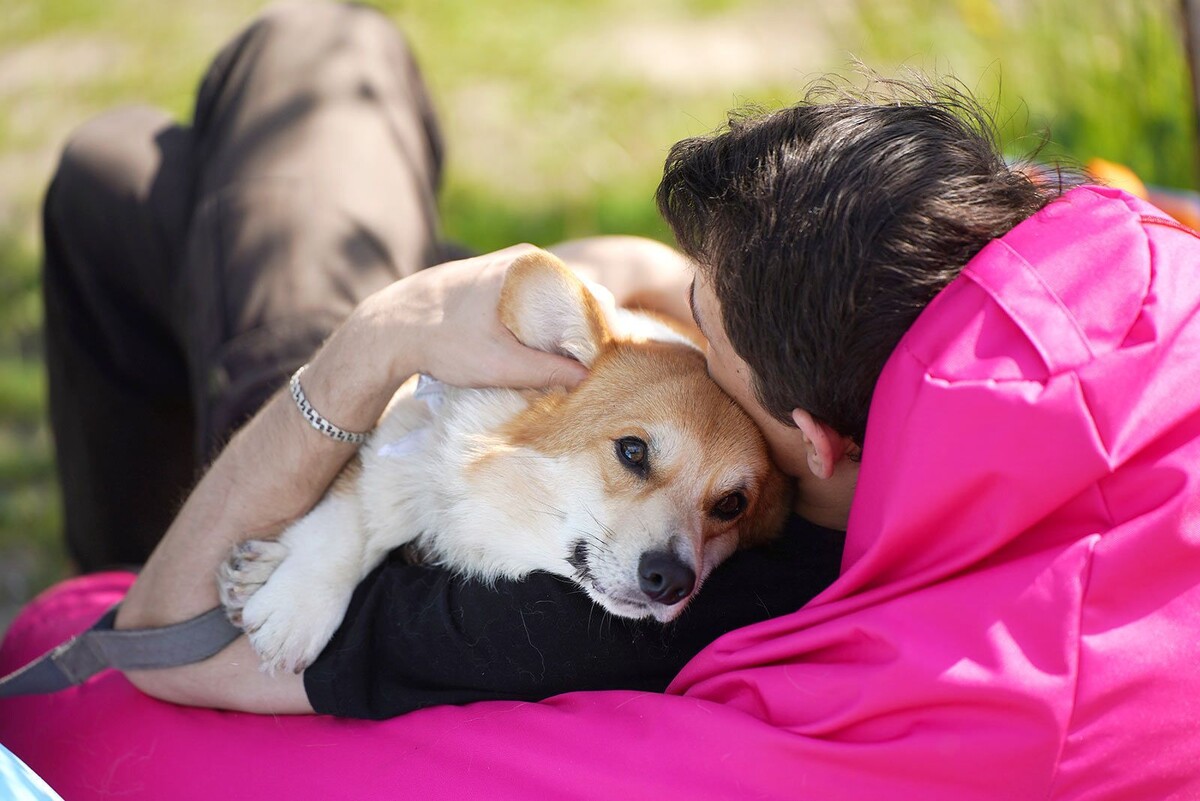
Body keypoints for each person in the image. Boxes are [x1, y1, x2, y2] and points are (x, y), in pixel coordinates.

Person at [2, 1, 1199, 799]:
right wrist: (623, 284)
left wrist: (376, 343)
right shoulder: (1031, 344)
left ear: (805, 442)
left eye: (705, 329)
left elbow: (169, 643)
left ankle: (137, 521)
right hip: (511, 424)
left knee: (315, 53)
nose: (668, 313)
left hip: (366, 468)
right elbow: (639, 291)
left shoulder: (599, 606)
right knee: (116, 182)